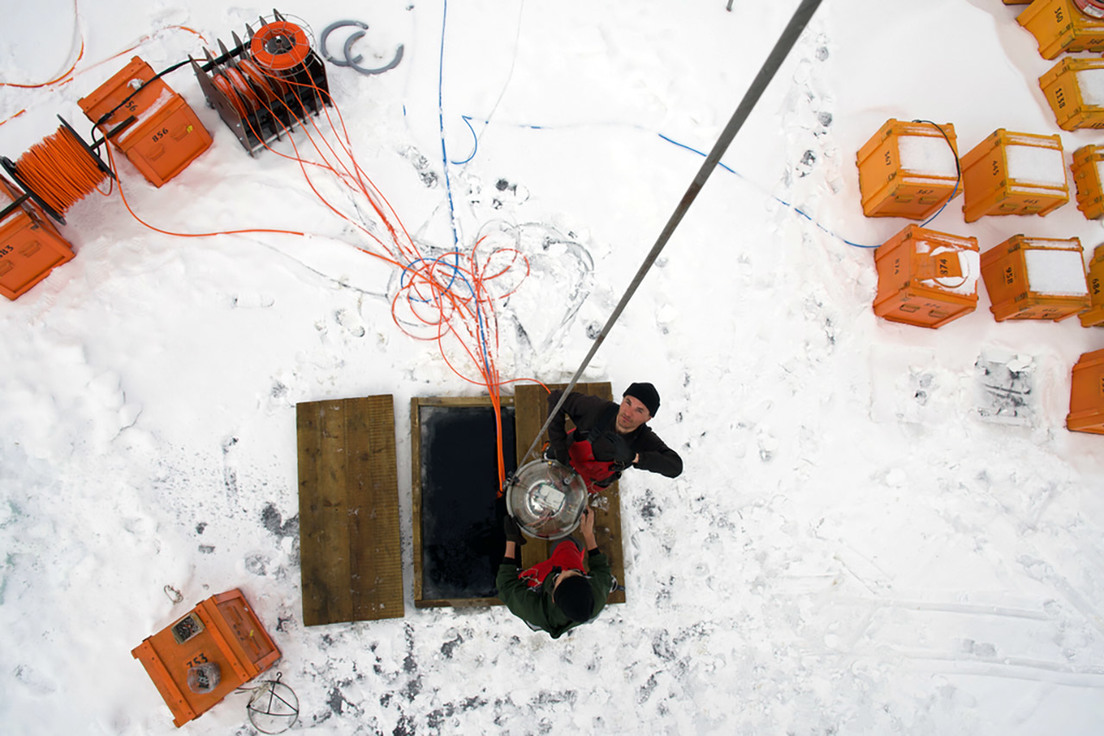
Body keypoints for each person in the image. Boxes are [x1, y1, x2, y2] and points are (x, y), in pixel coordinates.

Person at [496, 507, 612, 638]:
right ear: (588, 582)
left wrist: (512, 540)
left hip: (539, 587)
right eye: (575, 573)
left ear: (553, 597)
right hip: (563, 582)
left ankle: (530, 577)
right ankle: (566, 550)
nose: (565, 570)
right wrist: (588, 534)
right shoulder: (598, 593)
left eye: (561, 578)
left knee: (523, 580)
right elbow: (601, 569)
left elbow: (506, 585)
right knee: (566, 545)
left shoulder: (536, 611)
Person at [546, 382, 682, 492]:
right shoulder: (597, 410)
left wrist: (634, 457)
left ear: (648, 418)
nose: (628, 413)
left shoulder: (643, 439)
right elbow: (557, 398)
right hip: (567, 457)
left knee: (575, 494)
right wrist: (560, 449)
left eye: (639, 410)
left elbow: (675, 467)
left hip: (593, 480)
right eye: (628, 402)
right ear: (622, 399)